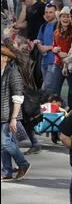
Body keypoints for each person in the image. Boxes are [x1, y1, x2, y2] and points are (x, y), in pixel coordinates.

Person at [1, 45, 31, 181]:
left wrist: (13, 118)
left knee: (5, 142)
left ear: (5, 58)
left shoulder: (12, 72)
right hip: (2, 114)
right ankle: (6, 171)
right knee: (3, 145)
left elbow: (18, 97)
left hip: (9, 115)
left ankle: (23, 164)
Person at [45, 7, 72, 104]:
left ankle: (71, 110)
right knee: (53, 89)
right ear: (60, 18)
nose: (65, 19)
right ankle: (54, 110)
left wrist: (68, 54)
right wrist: (54, 50)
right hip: (58, 63)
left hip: (71, 64)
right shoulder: (56, 32)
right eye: (63, 16)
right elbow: (54, 45)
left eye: (68, 17)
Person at [37, 3, 58, 87]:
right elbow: (39, 40)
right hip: (44, 61)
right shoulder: (43, 26)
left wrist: (47, 48)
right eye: (46, 12)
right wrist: (40, 47)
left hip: (54, 61)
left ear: (55, 13)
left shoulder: (58, 26)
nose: (48, 14)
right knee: (47, 86)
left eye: (50, 12)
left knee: (46, 86)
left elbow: (62, 44)